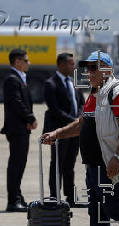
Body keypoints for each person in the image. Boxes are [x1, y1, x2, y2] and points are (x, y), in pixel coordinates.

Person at [41, 51, 119, 226]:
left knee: (114, 209)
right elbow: (81, 124)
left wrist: (118, 157)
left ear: (107, 69)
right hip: (93, 166)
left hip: (109, 164)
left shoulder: (118, 92)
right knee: (97, 212)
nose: (89, 72)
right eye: (87, 68)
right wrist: (56, 134)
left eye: (94, 68)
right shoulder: (95, 94)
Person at [42, 53, 85, 207]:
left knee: (70, 165)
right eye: (70, 64)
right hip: (59, 131)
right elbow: (54, 109)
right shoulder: (51, 84)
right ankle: (54, 197)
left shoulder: (74, 83)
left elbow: (82, 104)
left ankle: (71, 198)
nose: (73, 67)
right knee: (57, 164)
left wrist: (79, 118)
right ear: (61, 64)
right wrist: (73, 121)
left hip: (74, 131)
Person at [0, 49, 37, 212]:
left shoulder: (19, 78)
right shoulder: (12, 79)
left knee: (20, 163)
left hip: (22, 128)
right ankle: (13, 200)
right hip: (17, 128)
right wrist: (30, 118)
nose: (29, 63)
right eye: (26, 60)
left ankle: (18, 196)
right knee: (16, 164)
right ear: (17, 62)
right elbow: (16, 102)